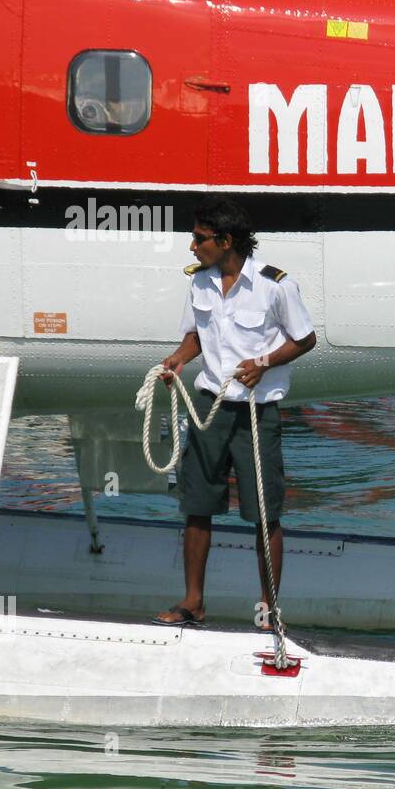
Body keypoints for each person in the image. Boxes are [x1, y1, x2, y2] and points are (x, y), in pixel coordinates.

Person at [153, 197, 316, 628]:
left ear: (226, 241)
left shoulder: (275, 285)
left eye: (199, 239)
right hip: (210, 404)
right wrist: (177, 359)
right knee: (197, 503)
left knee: (265, 511)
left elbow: (305, 339)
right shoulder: (200, 282)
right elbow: (197, 336)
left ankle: (268, 609)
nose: (192, 247)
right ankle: (193, 603)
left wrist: (264, 364)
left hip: (256, 411)